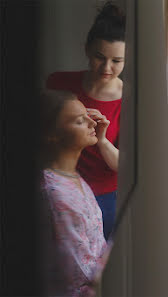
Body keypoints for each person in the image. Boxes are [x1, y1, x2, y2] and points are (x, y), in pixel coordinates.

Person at [46, 1, 124, 240]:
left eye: (117, 61)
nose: (107, 68)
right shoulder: (58, 83)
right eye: (100, 57)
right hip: (57, 189)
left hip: (105, 197)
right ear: (87, 49)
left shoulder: (131, 100)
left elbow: (124, 166)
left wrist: (101, 140)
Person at [39, 89, 113, 296]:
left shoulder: (74, 178)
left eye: (88, 117)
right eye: (80, 121)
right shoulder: (53, 192)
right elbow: (77, 268)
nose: (92, 124)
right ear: (52, 135)